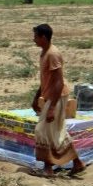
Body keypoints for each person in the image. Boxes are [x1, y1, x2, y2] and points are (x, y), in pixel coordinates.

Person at [30, 24, 86, 177]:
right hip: (52, 95)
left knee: (43, 130)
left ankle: (48, 169)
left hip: (58, 96)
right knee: (56, 131)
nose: (33, 40)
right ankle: (77, 163)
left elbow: (58, 82)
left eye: (35, 36)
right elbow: (45, 80)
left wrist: (52, 107)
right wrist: (36, 98)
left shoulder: (53, 54)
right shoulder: (44, 53)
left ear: (43, 37)